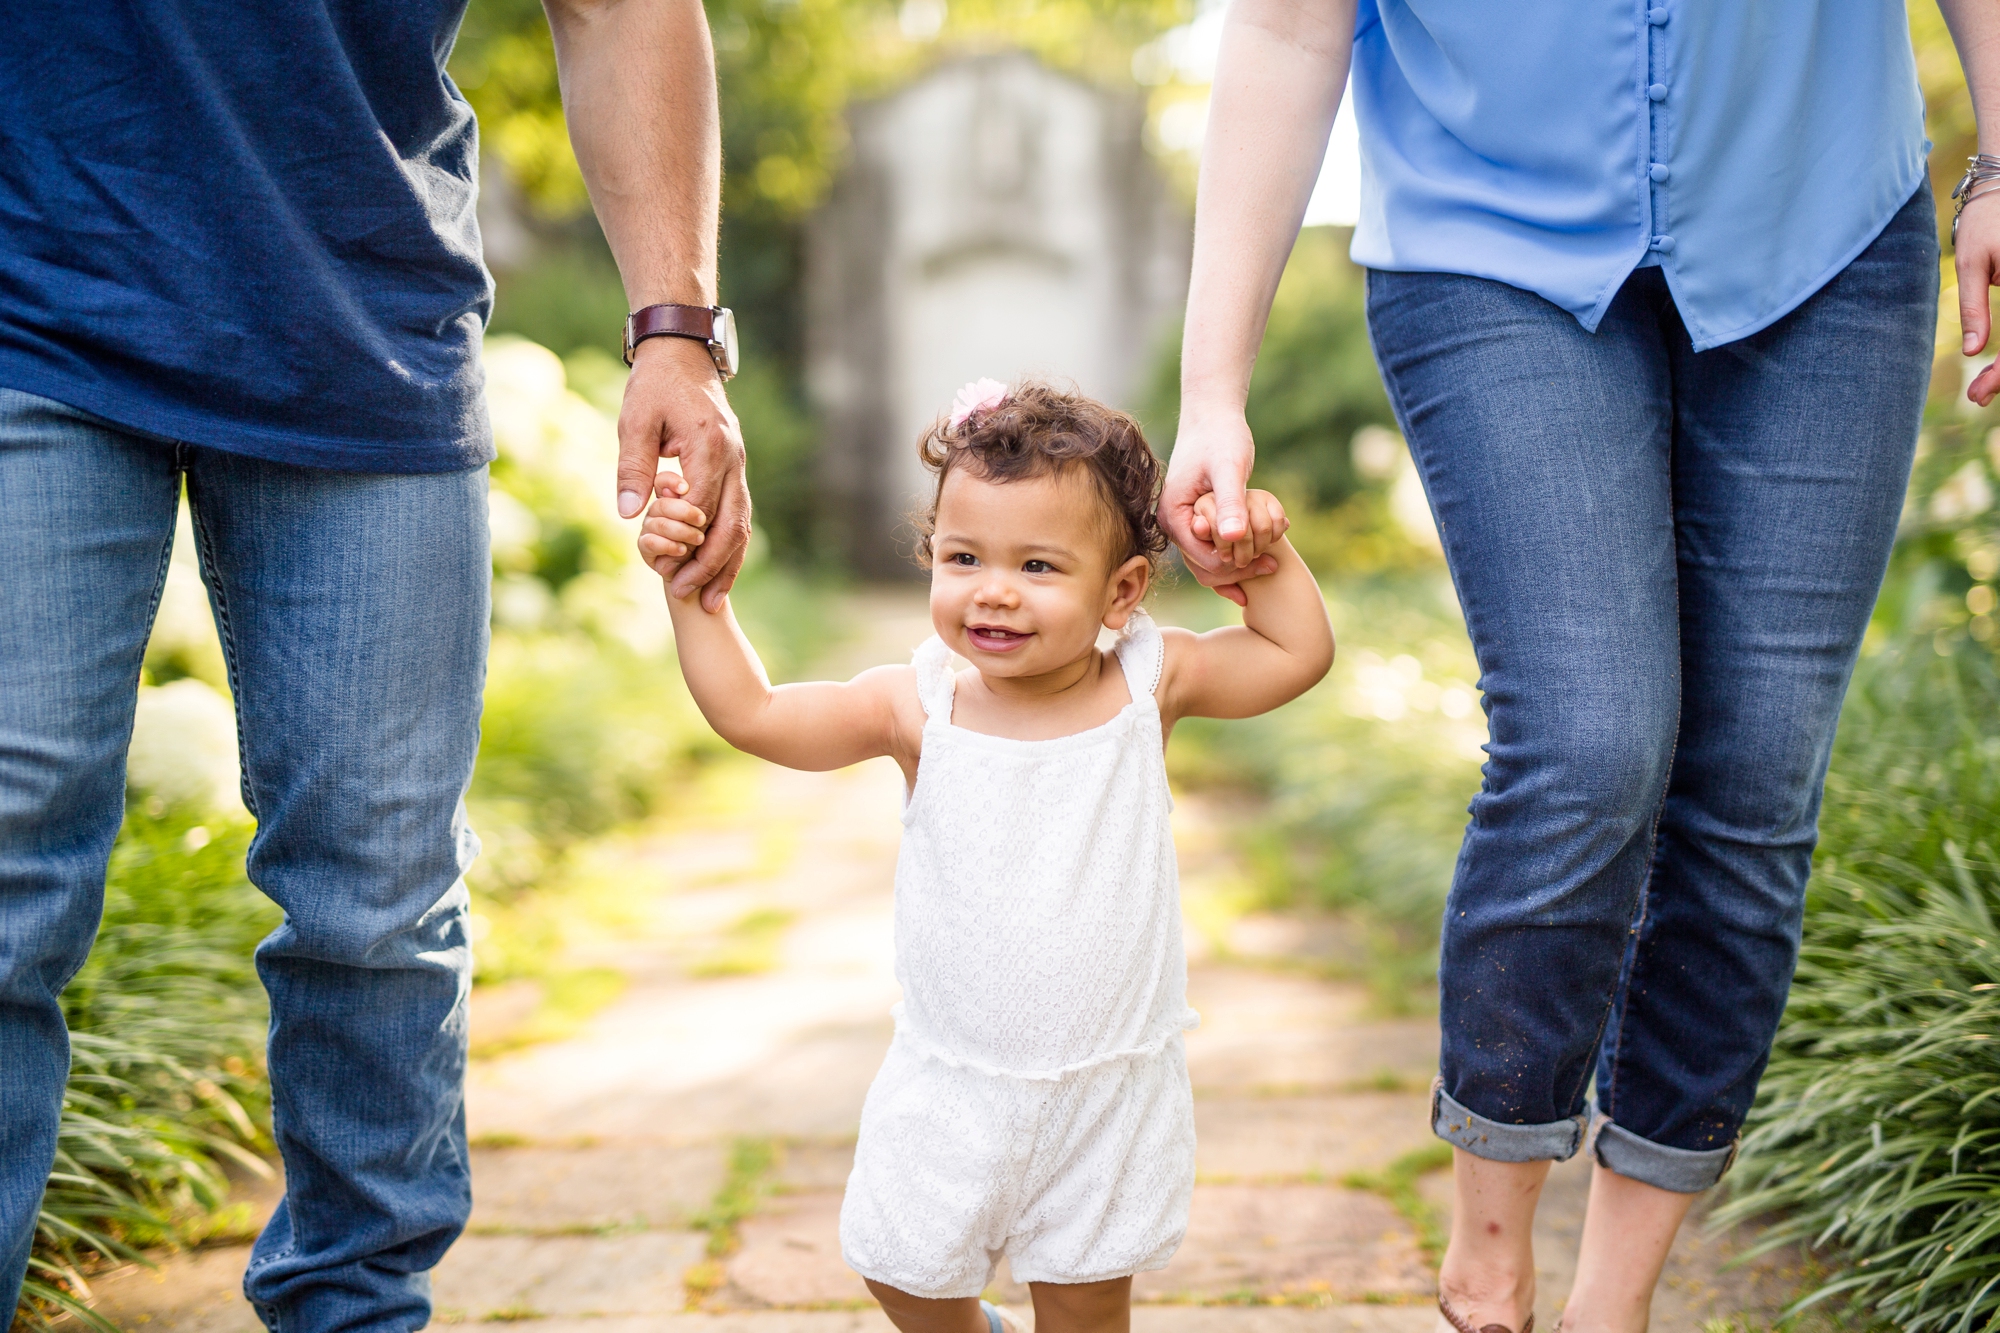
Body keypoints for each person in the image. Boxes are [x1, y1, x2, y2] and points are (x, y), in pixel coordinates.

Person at [1160, 2, 2000, 1331]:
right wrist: (1214, 388)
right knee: (1591, 741)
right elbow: (1284, 31)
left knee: (1755, 780)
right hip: (1487, 240)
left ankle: (1615, 1303)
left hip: (1823, 230)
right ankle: (1489, 1266)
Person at [0, 2, 749, 1329]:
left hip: (361, 328)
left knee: (378, 904)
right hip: (33, 297)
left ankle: (352, 1312)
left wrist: (678, 329)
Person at [642, 379, 1333, 1333]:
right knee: (905, 1272)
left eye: (1041, 565)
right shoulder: (918, 705)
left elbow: (1296, 651)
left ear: (1121, 590)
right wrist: (696, 595)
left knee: (1087, 1306)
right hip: (952, 1081)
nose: (994, 590)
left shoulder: (1150, 683)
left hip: (1106, 1088)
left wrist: (1261, 553)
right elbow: (757, 714)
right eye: (963, 556)